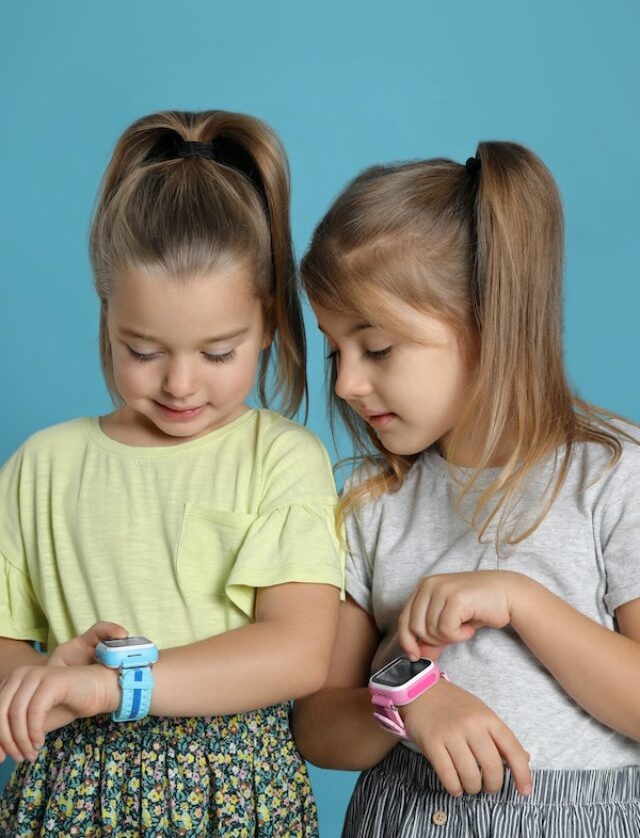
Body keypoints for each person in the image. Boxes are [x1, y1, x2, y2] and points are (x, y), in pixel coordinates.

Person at [0, 109, 343, 836]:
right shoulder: (41, 465)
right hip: (68, 798)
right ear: (106, 314)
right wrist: (32, 683)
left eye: (218, 353)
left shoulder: (281, 459)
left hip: (238, 800)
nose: (181, 383)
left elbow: (299, 650)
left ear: (271, 321)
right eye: (143, 348)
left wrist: (111, 687)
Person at [293, 142, 640, 836]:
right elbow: (317, 725)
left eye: (378, 347)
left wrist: (520, 599)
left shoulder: (612, 474)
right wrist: (407, 696)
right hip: (405, 814)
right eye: (336, 350)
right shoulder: (373, 500)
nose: (346, 384)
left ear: (490, 319)